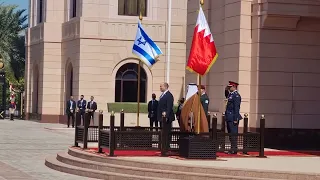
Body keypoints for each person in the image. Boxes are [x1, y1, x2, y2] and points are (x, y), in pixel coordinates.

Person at [225, 81, 242, 154]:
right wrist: (226, 89)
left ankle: (234, 149)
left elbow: (236, 108)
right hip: (229, 116)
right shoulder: (230, 95)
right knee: (230, 133)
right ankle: (233, 148)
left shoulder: (236, 95)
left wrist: (236, 118)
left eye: (230, 87)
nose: (229, 88)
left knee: (233, 133)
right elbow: (226, 95)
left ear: (234, 87)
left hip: (233, 117)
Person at [157, 82, 174, 150]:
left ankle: (166, 146)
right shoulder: (163, 95)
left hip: (166, 118)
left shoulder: (169, 95)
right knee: (162, 132)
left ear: (165, 87)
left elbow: (169, 107)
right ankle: (163, 145)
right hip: (161, 117)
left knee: (167, 132)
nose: (160, 88)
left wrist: (166, 116)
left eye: (161, 86)